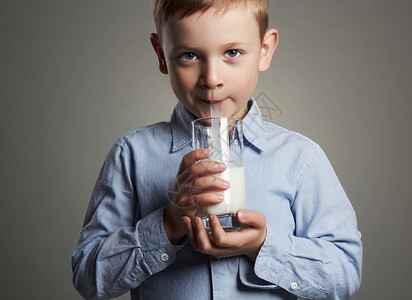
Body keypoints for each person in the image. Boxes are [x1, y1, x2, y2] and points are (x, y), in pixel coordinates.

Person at [72, 0, 363, 299]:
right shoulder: (132, 155)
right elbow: (87, 277)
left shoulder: (300, 158)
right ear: (161, 55)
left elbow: (344, 273)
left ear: (264, 50)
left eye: (232, 52)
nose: (211, 78)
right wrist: (167, 224)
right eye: (189, 55)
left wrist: (264, 246)